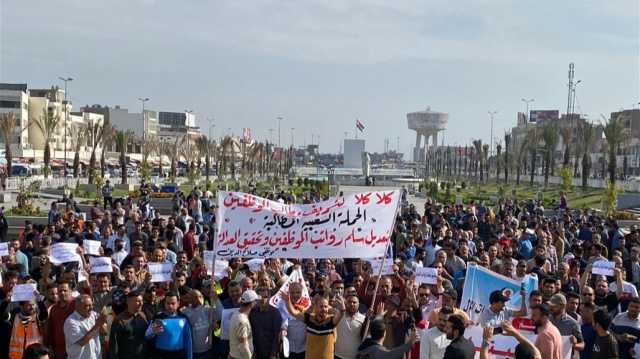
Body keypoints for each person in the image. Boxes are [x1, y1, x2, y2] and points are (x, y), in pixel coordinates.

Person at [285, 291, 345, 359]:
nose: (324, 309)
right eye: (321, 306)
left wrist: (342, 308)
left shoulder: (331, 320)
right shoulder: (310, 318)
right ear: (315, 307)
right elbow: (294, 313)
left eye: (326, 307)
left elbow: (341, 314)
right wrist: (287, 300)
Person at [145, 292, 193, 359]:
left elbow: (188, 341)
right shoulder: (157, 317)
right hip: (160, 355)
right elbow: (146, 336)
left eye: (173, 303)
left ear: (178, 303)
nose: (170, 306)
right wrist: (152, 332)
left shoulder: (184, 318)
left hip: (179, 355)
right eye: (168, 303)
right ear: (164, 303)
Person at [63, 294, 108, 359]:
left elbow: (105, 332)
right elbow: (82, 342)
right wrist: (97, 325)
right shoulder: (70, 322)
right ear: (77, 307)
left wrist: (102, 321)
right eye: (87, 306)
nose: (91, 308)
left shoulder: (93, 314)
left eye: (92, 305)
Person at [109, 290, 149, 358]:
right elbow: (114, 346)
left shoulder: (143, 316)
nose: (141, 303)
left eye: (142, 301)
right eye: (138, 301)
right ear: (129, 302)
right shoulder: (119, 320)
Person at [182, 289, 217, 359]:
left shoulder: (208, 310)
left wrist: (215, 325)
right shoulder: (185, 312)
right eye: (193, 297)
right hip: (193, 350)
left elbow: (218, 317)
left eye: (199, 296)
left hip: (207, 349)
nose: (197, 299)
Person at [46, 281, 76, 359]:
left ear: (70, 291)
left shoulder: (77, 305)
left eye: (65, 290)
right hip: (59, 351)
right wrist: (50, 346)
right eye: (60, 291)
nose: (62, 293)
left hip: (76, 350)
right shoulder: (53, 309)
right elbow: (50, 330)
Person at [229, 290, 260, 359]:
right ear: (252, 303)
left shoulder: (236, 313)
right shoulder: (242, 321)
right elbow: (243, 345)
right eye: (256, 301)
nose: (257, 303)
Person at [335, 294, 366, 359]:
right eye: (349, 302)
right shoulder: (338, 316)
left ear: (358, 304)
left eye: (354, 302)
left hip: (354, 356)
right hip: (337, 355)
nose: (352, 304)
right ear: (345, 303)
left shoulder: (364, 319)